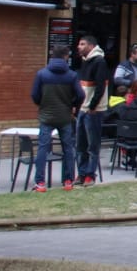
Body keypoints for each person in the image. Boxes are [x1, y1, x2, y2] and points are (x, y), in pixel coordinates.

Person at [30, 46, 81, 191]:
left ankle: (40, 183)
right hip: (65, 116)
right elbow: (81, 95)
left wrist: (42, 104)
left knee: (42, 148)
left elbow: (34, 94)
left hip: (46, 116)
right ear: (66, 56)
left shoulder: (42, 74)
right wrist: (73, 106)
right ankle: (68, 181)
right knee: (68, 149)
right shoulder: (71, 75)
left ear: (52, 55)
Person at [73, 33, 112, 187]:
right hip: (83, 108)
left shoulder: (99, 62)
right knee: (80, 144)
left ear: (90, 46)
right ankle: (81, 173)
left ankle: (90, 175)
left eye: (82, 44)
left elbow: (100, 86)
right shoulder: (84, 61)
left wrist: (92, 106)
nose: (79, 47)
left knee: (92, 145)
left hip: (93, 110)